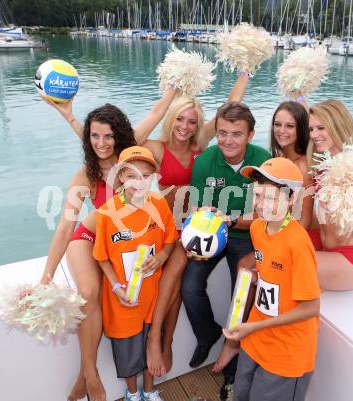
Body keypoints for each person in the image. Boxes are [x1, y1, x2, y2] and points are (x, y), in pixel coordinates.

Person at [39, 88, 177, 401]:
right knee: (88, 292)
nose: (102, 143)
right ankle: (90, 374)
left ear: (120, 137)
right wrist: (47, 275)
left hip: (120, 243)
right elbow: (66, 227)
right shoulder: (84, 175)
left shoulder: (132, 159)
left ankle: (83, 377)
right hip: (88, 237)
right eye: (95, 137)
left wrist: (175, 87)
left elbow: (155, 114)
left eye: (108, 136)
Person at [136, 74, 250, 377]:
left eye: (191, 121)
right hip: (163, 226)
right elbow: (131, 140)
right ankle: (156, 338)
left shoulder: (200, 145)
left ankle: (165, 338)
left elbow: (230, 107)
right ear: (171, 119)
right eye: (180, 120)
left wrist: (245, 73)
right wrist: (170, 93)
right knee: (175, 273)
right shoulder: (156, 149)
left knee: (177, 272)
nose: (185, 127)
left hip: (190, 229)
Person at [181, 101, 271, 400]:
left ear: (250, 135)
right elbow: (194, 206)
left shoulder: (262, 161)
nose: (228, 141)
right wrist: (202, 217)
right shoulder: (206, 160)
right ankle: (207, 335)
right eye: (222, 133)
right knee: (190, 285)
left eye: (236, 134)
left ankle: (232, 371)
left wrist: (232, 219)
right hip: (212, 232)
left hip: (247, 236)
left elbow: (267, 213)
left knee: (242, 295)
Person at [223, 157, 321, 401]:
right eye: (257, 196)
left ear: (291, 199)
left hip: (285, 350)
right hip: (256, 340)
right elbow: (270, 270)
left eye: (270, 198)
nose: (261, 205)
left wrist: (253, 326)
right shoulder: (258, 227)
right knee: (241, 395)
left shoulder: (298, 243)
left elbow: (311, 307)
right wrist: (257, 276)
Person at [93, 146, 178, 401]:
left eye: (145, 175)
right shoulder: (107, 213)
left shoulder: (159, 204)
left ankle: (149, 391)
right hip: (124, 301)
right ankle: (132, 393)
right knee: (129, 352)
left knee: (150, 347)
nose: (138, 182)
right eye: (131, 176)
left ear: (153, 177)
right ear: (120, 177)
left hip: (152, 296)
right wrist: (116, 287)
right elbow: (102, 257)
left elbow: (170, 240)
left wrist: (162, 256)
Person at [307, 99, 353, 290]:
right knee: (275, 249)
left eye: (321, 128)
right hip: (324, 247)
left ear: (336, 125)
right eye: (311, 129)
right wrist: (299, 95)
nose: (314, 135)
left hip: (351, 258)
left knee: (285, 265)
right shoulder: (323, 165)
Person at [270, 101, 314, 229]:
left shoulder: (303, 168)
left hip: (299, 236)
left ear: (300, 129)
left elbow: (305, 220)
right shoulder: (280, 157)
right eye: (277, 124)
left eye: (289, 126)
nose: (281, 131)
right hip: (280, 228)